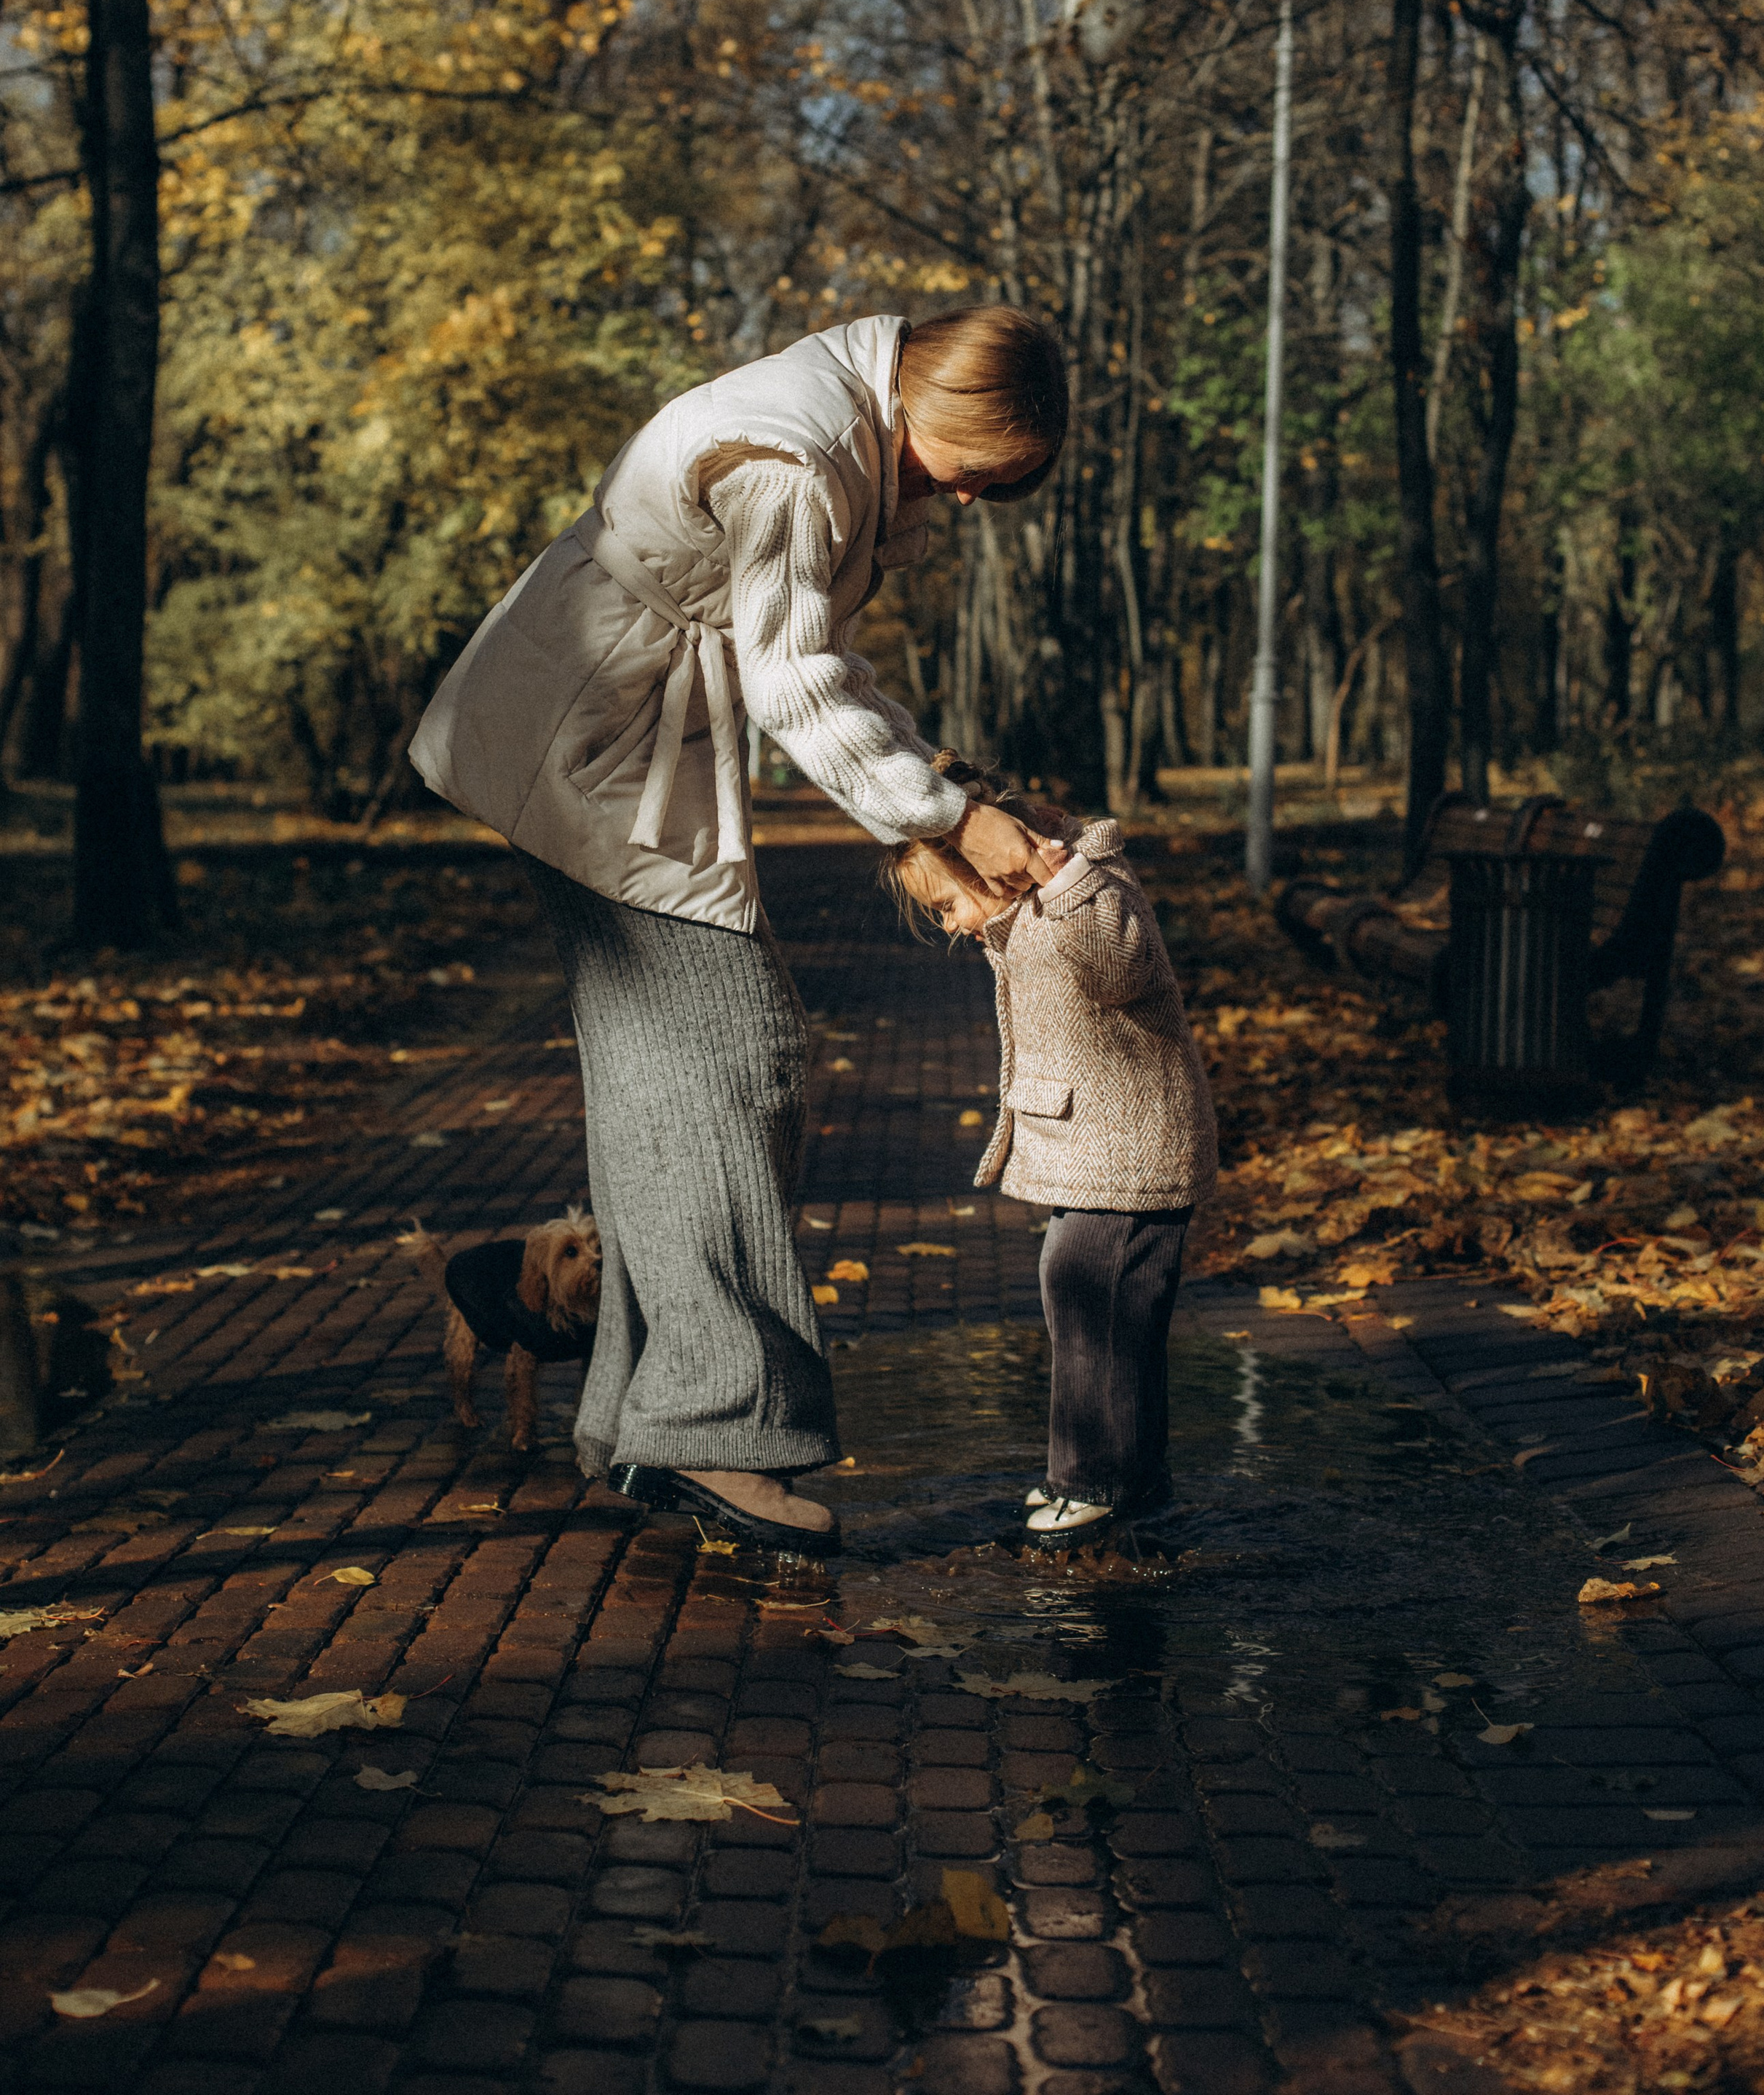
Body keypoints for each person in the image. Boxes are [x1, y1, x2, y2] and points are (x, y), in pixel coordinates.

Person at [409, 309, 1067, 1550]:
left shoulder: (831, 429)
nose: (972, 503)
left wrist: (945, 780)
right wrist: (944, 816)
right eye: (981, 472)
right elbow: (791, 681)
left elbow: (815, 658)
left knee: (664, 1077)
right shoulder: (797, 462)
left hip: (599, 734)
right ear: (939, 410)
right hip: (593, 747)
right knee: (735, 1057)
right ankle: (714, 1430)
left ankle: (640, 1423)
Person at [882, 755, 1218, 1542]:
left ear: (991, 861)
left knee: (1084, 1290)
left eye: (945, 905)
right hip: (1102, 1149)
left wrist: (1064, 880)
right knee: (1115, 1317)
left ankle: (1091, 1479)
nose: (950, 925)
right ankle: (1137, 1481)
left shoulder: (1089, 890)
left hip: (1135, 1150)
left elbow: (1120, 968)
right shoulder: (1030, 907)